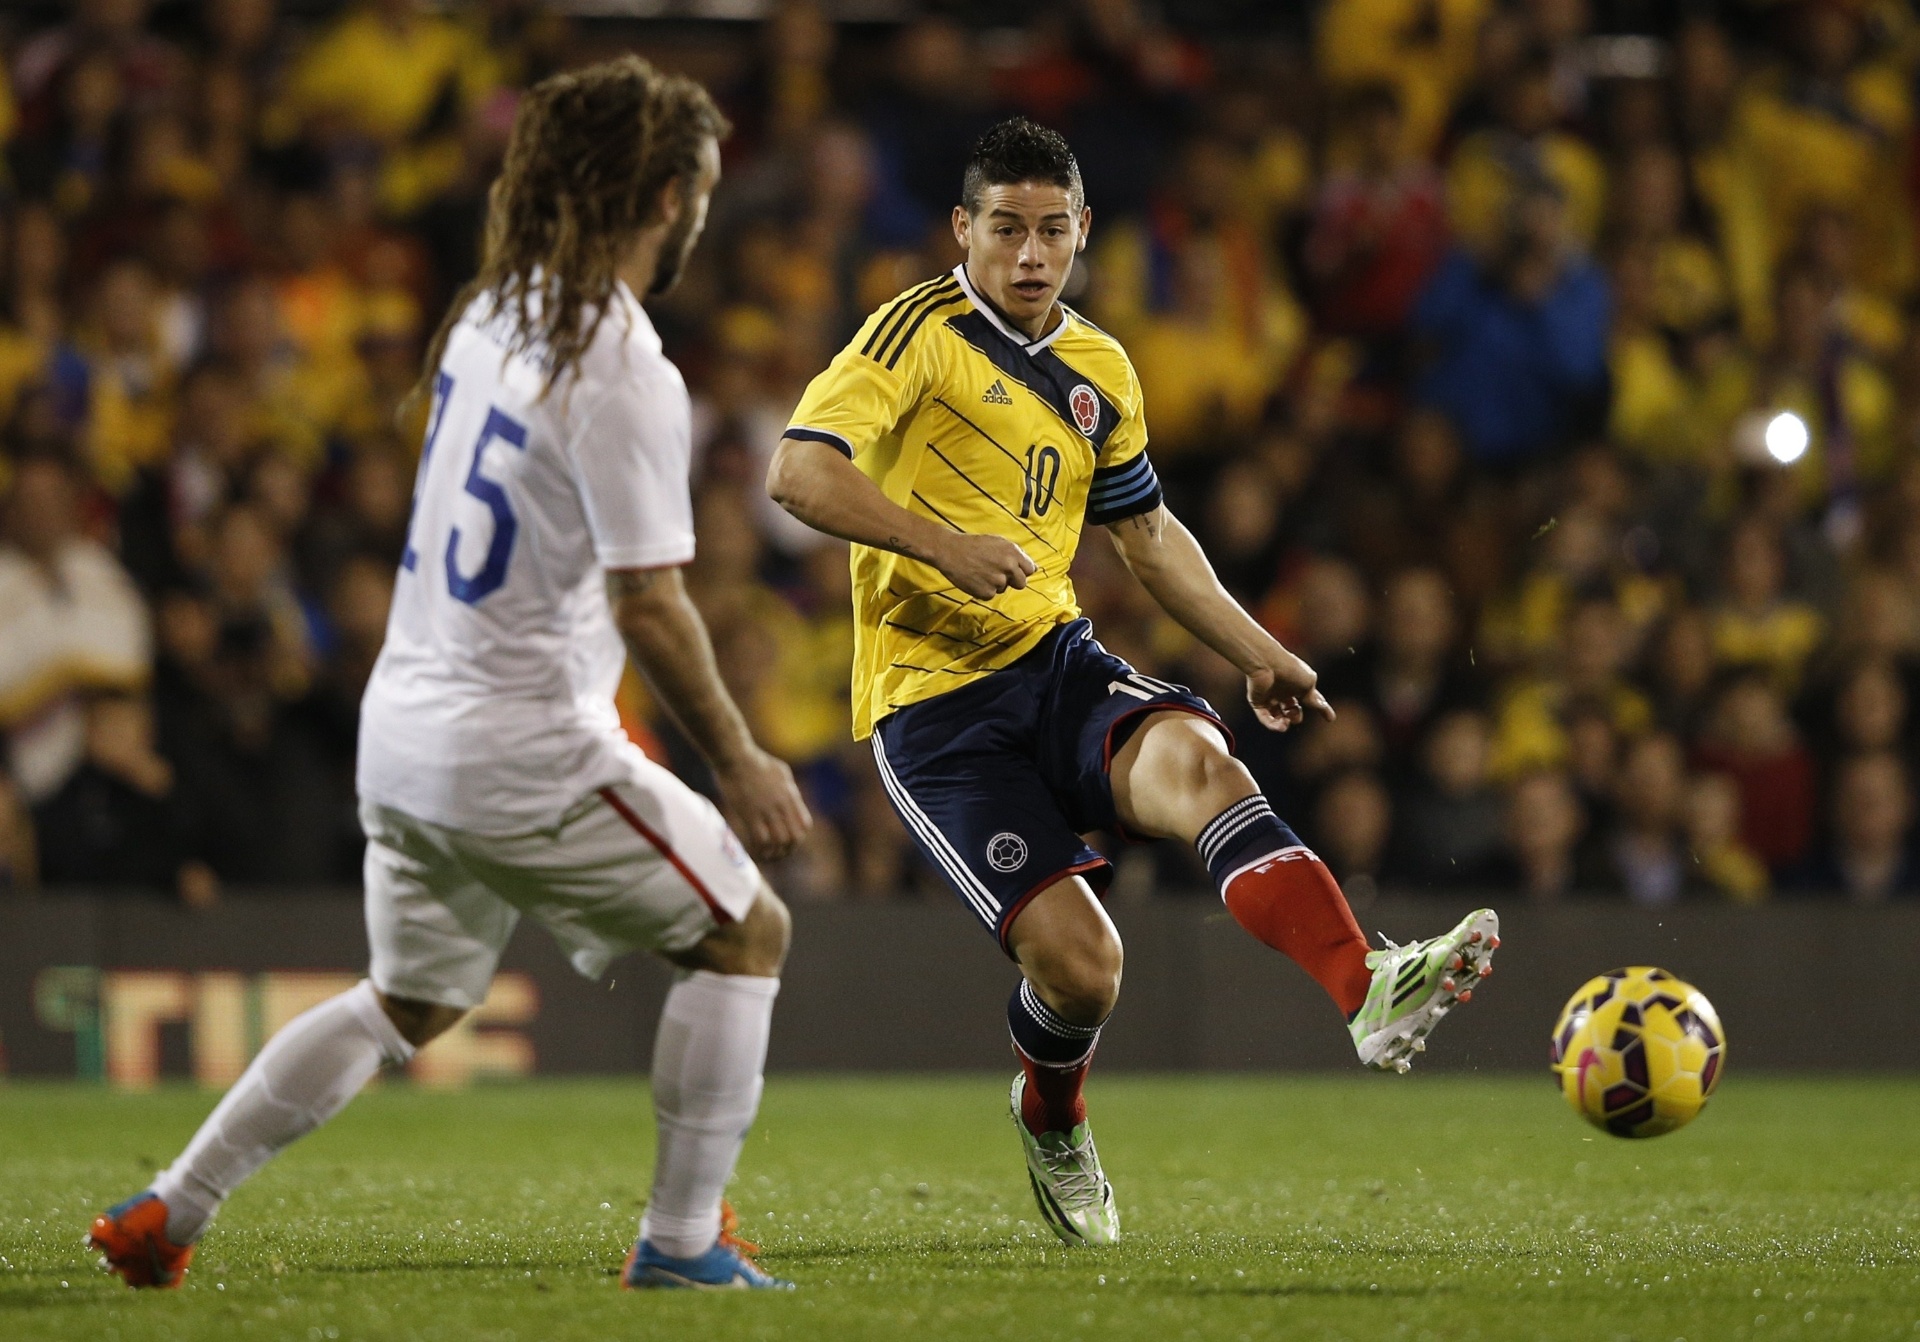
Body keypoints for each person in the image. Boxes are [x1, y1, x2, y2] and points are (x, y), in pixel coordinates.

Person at [88, 56, 810, 1293]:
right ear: (664, 198)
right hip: (518, 743)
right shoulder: (624, 359)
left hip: (407, 734)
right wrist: (740, 757)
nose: (703, 214)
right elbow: (651, 596)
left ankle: (169, 1207)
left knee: (406, 1002)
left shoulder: (495, 310)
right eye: (698, 191)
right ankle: (682, 1242)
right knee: (746, 929)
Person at [766, 118, 1499, 1248]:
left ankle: (1367, 988)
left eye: (1051, 232)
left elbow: (1149, 540)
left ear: (1083, 235)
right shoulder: (913, 331)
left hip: (1056, 663)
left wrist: (1259, 649)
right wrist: (943, 544)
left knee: (1204, 766)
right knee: (1086, 967)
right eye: (1005, 229)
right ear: (963, 230)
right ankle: (1052, 1117)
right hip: (935, 710)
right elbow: (799, 473)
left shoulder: (1100, 366)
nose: (1028, 255)